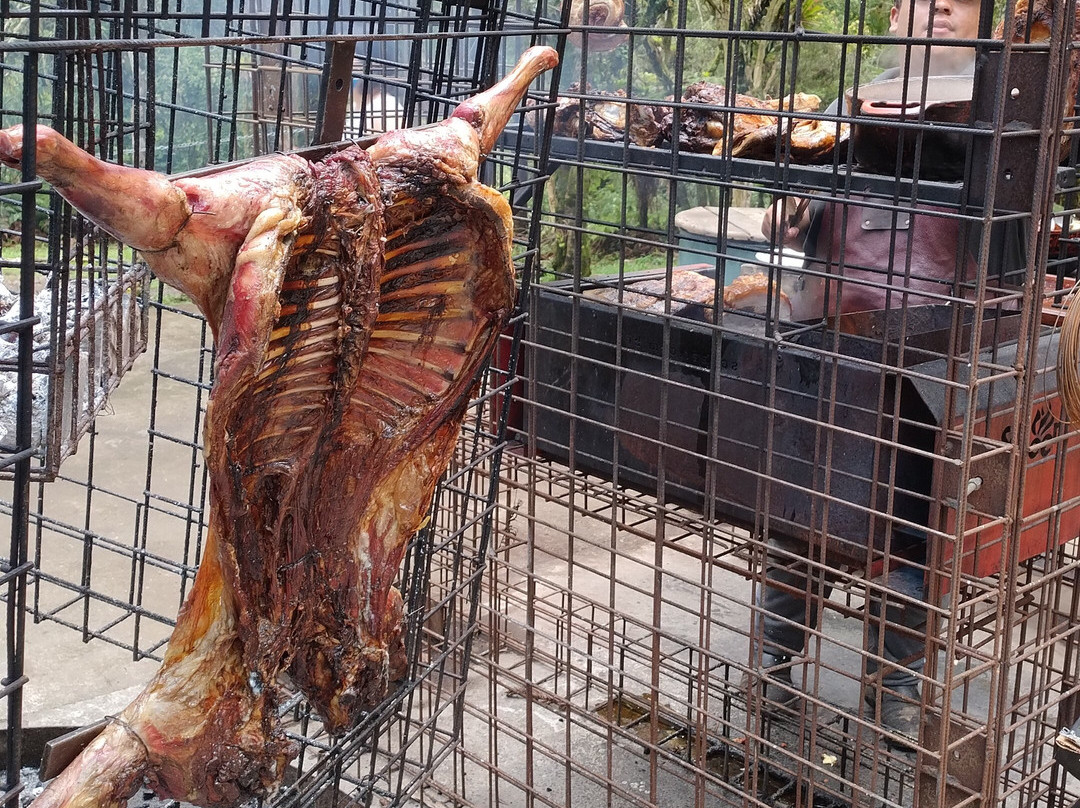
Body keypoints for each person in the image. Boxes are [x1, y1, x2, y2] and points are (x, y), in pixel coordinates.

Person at [750, 0, 984, 745]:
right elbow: (792, 211)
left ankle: (893, 693)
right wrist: (787, 215)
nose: (939, 5)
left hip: (934, 367)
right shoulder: (849, 109)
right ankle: (770, 670)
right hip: (826, 351)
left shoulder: (996, 115)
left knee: (910, 532)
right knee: (803, 524)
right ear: (889, 14)